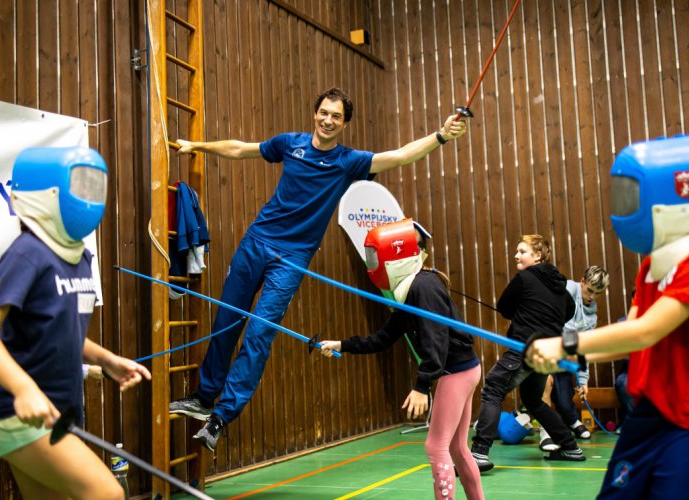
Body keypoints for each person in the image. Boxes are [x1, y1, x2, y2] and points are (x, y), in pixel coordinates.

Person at [169, 87, 468, 451]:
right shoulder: (289, 144)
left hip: (292, 258)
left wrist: (440, 136)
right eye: (324, 113)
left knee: (259, 335)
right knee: (227, 322)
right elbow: (242, 148)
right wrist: (198, 147)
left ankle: (222, 416)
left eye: (336, 117)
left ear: (344, 124)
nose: (328, 120)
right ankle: (204, 399)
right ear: (315, 114)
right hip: (255, 242)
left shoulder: (349, 162)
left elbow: (402, 156)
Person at [525, 133, 689, 498]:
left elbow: (646, 332)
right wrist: (567, 358)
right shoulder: (654, 266)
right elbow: (630, 340)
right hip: (646, 418)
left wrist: (565, 345)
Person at [0, 147, 152, 499]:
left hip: (51, 410)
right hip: (10, 410)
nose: (88, 198)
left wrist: (106, 361)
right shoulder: (28, 252)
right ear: (46, 194)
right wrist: (24, 389)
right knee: (107, 494)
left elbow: (61, 328)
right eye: (80, 185)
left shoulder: (81, 257)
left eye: (94, 187)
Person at [319, 219, 484, 500]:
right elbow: (384, 337)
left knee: (436, 447)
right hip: (465, 369)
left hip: (455, 371)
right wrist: (342, 345)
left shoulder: (423, 287)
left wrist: (422, 386)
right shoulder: (411, 290)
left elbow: (436, 339)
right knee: (456, 447)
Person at [470, 234, 581, 473]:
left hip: (522, 348)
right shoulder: (560, 284)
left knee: (493, 389)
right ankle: (570, 446)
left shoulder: (525, 277)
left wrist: (525, 312)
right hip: (545, 354)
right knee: (533, 401)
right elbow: (569, 311)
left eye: (522, 251)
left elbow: (503, 307)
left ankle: (478, 453)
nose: (516, 255)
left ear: (538, 255)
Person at [539, 266, 609, 450]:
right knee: (545, 386)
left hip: (563, 355)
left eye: (597, 293)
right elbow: (568, 328)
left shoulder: (591, 318)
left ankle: (571, 420)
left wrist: (583, 381)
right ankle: (545, 433)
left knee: (564, 398)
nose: (592, 297)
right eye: (590, 290)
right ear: (582, 281)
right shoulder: (568, 288)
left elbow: (583, 349)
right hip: (544, 345)